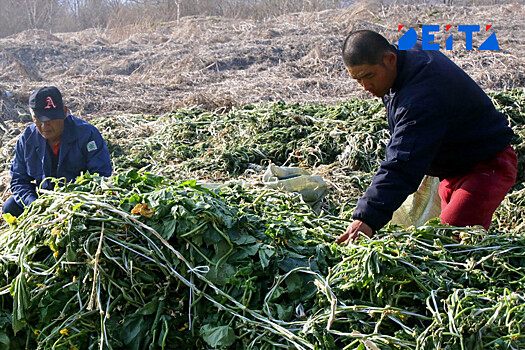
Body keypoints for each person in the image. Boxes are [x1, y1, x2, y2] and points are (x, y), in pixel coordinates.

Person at [336, 30, 517, 244]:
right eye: (357, 80)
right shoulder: (405, 58)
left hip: (487, 168)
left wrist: (366, 218)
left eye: (369, 76)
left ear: (389, 59)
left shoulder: (420, 97)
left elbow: (402, 163)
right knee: (454, 238)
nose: (365, 87)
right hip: (454, 169)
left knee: (447, 244)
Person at [2, 86, 112, 217]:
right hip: (44, 202)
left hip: (78, 202)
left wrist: (72, 203)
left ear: (64, 112)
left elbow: (101, 175)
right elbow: (19, 181)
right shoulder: (27, 139)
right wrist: (35, 205)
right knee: (10, 206)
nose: (44, 126)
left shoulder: (87, 135)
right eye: (38, 120)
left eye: (49, 121)